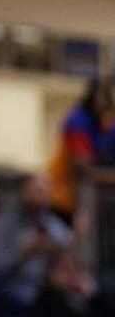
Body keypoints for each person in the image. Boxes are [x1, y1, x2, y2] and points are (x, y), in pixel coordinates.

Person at [0, 173, 74, 313]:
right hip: (6, 293)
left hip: (41, 297)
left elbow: (68, 257)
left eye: (46, 190)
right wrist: (25, 253)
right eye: (37, 190)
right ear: (23, 191)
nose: (42, 195)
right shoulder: (5, 223)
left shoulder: (53, 226)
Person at [49, 80, 115, 219]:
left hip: (85, 198)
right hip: (62, 197)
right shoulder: (78, 122)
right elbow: (83, 164)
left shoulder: (103, 121)